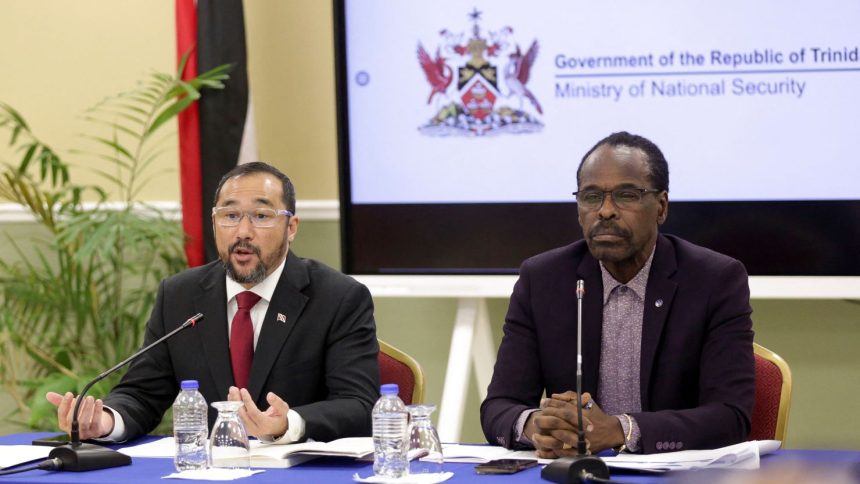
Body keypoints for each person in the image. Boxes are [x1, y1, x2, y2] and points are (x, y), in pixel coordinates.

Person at [46, 162, 379, 443]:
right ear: (214, 222)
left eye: (261, 216)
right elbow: (142, 394)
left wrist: (288, 423)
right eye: (230, 216)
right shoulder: (180, 295)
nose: (243, 232)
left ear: (291, 227)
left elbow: (359, 404)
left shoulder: (338, 297)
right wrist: (104, 421)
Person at [480, 132, 755, 456]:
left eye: (626, 195)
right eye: (591, 196)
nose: (605, 211)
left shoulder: (714, 280)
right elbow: (498, 407)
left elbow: (730, 417)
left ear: (661, 207)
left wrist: (622, 430)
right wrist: (537, 426)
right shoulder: (543, 279)